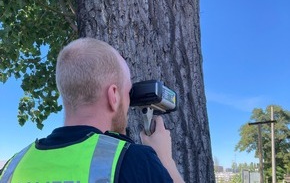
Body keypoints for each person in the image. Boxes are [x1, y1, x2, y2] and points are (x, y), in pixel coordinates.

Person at [0, 38, 184, 183]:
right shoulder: (133, 161)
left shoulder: (12, 167)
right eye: (128, 92)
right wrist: (166, 160)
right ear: (113, 95)